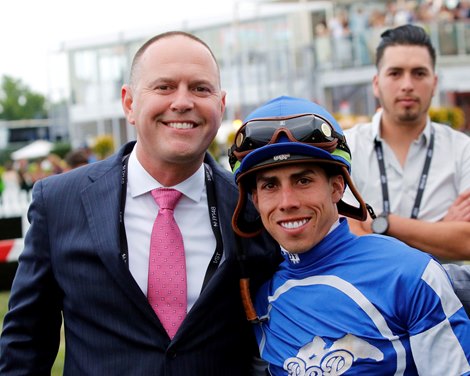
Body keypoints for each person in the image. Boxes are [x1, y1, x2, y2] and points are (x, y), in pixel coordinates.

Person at [0, 31, 279, 375]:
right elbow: (24, 347)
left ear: (220, 106)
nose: (182, 102)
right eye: (163, 87)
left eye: (200, 88)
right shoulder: (59, 203)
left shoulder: (253, 208)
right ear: (129, 103)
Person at [228, 95, 470, 375]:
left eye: (303, 180)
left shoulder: (411, 276)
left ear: (337, 187)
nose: (287, 202)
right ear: (255, 200)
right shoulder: (258, 291)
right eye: (270, 185)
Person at [343, 24, 470, 261]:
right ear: (376, 83)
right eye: (395, 73)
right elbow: (344, 239)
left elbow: (467, 242)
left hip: (445, 296)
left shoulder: (463, 150)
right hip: (367, 296)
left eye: (419, 73)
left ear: (434, 83)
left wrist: (380, 222)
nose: (407, 84)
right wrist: (438, 232)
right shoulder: (346, 148)